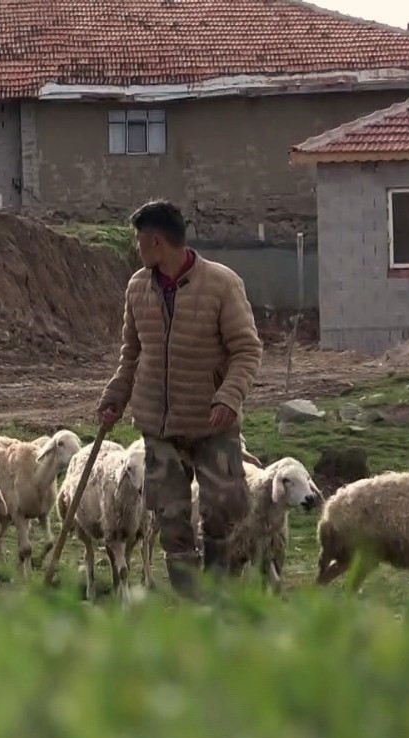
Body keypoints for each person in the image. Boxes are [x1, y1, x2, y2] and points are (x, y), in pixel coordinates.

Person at [97, 200, 263, 598]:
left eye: (139, 240)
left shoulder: (222, 285)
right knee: (170, 520)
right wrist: (115, 396)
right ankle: (191, 603)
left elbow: (247, 350)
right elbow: (131, 353)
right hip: (159, 424)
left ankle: (218, 598)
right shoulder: (138, 287)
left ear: (157, 241)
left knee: (221, 514)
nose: (137, 248)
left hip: (212, 423)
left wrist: (229, 396)